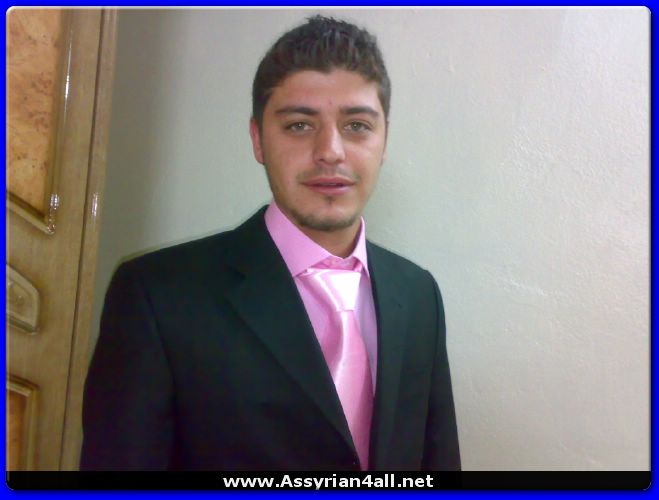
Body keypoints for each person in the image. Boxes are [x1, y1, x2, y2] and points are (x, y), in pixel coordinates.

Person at [81, 15, 460, 471]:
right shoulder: (155, 295)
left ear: (384, 140)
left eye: (357, 125)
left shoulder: (419, 295)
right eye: (299, 125)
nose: (330, 151)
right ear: (258, 139)